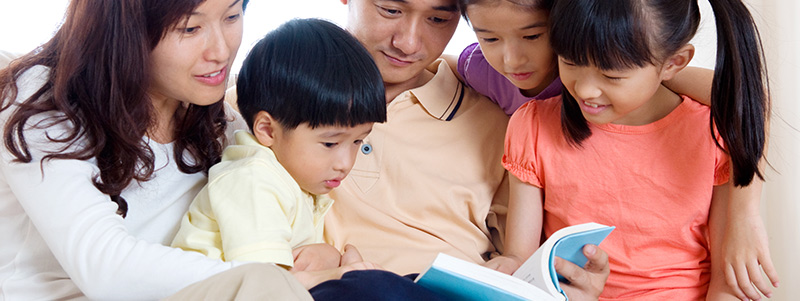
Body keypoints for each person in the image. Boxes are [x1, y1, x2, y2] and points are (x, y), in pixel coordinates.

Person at [451, 0, 778, 299]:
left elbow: (726, 279)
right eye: (570, 62)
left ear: (674, 63)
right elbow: (520, 257)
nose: (586, 90)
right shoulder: (533, 125)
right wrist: (507, 268)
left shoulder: (709, 130)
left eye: (612, 75)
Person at [0, 0, 314, 299]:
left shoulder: (220, 122)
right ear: (125, 30)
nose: (221, 51)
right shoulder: (42, 98)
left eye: (231, 17)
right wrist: (271, 279)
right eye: (190, 28)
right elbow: (104, 269)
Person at [319, 0, 610, 298]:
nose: (407, 44)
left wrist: (570, 289)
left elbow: (524, 270)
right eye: (391, 11)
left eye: (437, 19)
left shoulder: (505, 127)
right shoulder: (278, 98)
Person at [170, 18, 386, 288]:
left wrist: (332, 259)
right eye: (330, 144)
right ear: (268, 131)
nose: (345, 163)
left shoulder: (296, 179)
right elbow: (266, 287)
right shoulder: (252, 180)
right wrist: (344, 271)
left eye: (358, 142)